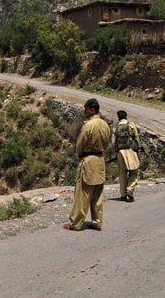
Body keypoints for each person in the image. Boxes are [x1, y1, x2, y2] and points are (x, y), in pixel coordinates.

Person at [63, 98, 110, 231]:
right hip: (100, 160)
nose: (85, 111)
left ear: (92, 109)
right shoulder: (105, 125)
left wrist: (80, 153)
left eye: (86, 109)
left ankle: (76, 223)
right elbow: (107, 143)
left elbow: (79, 145)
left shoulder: (88, 125)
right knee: (98, 194)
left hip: (88, 161)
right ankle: (97, 221)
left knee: (82, 194)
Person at [112, 110, 141, 202]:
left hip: (120, 153)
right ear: (126, 116)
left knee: (122, 174)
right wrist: (138, 147)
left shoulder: (115, 128)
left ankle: (123, 194)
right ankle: (129, 191)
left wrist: (116, 151)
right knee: (134, 171)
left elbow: (113, 143)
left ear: (118, 117)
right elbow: (136, 138)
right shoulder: (131, 125)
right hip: (130, 151)